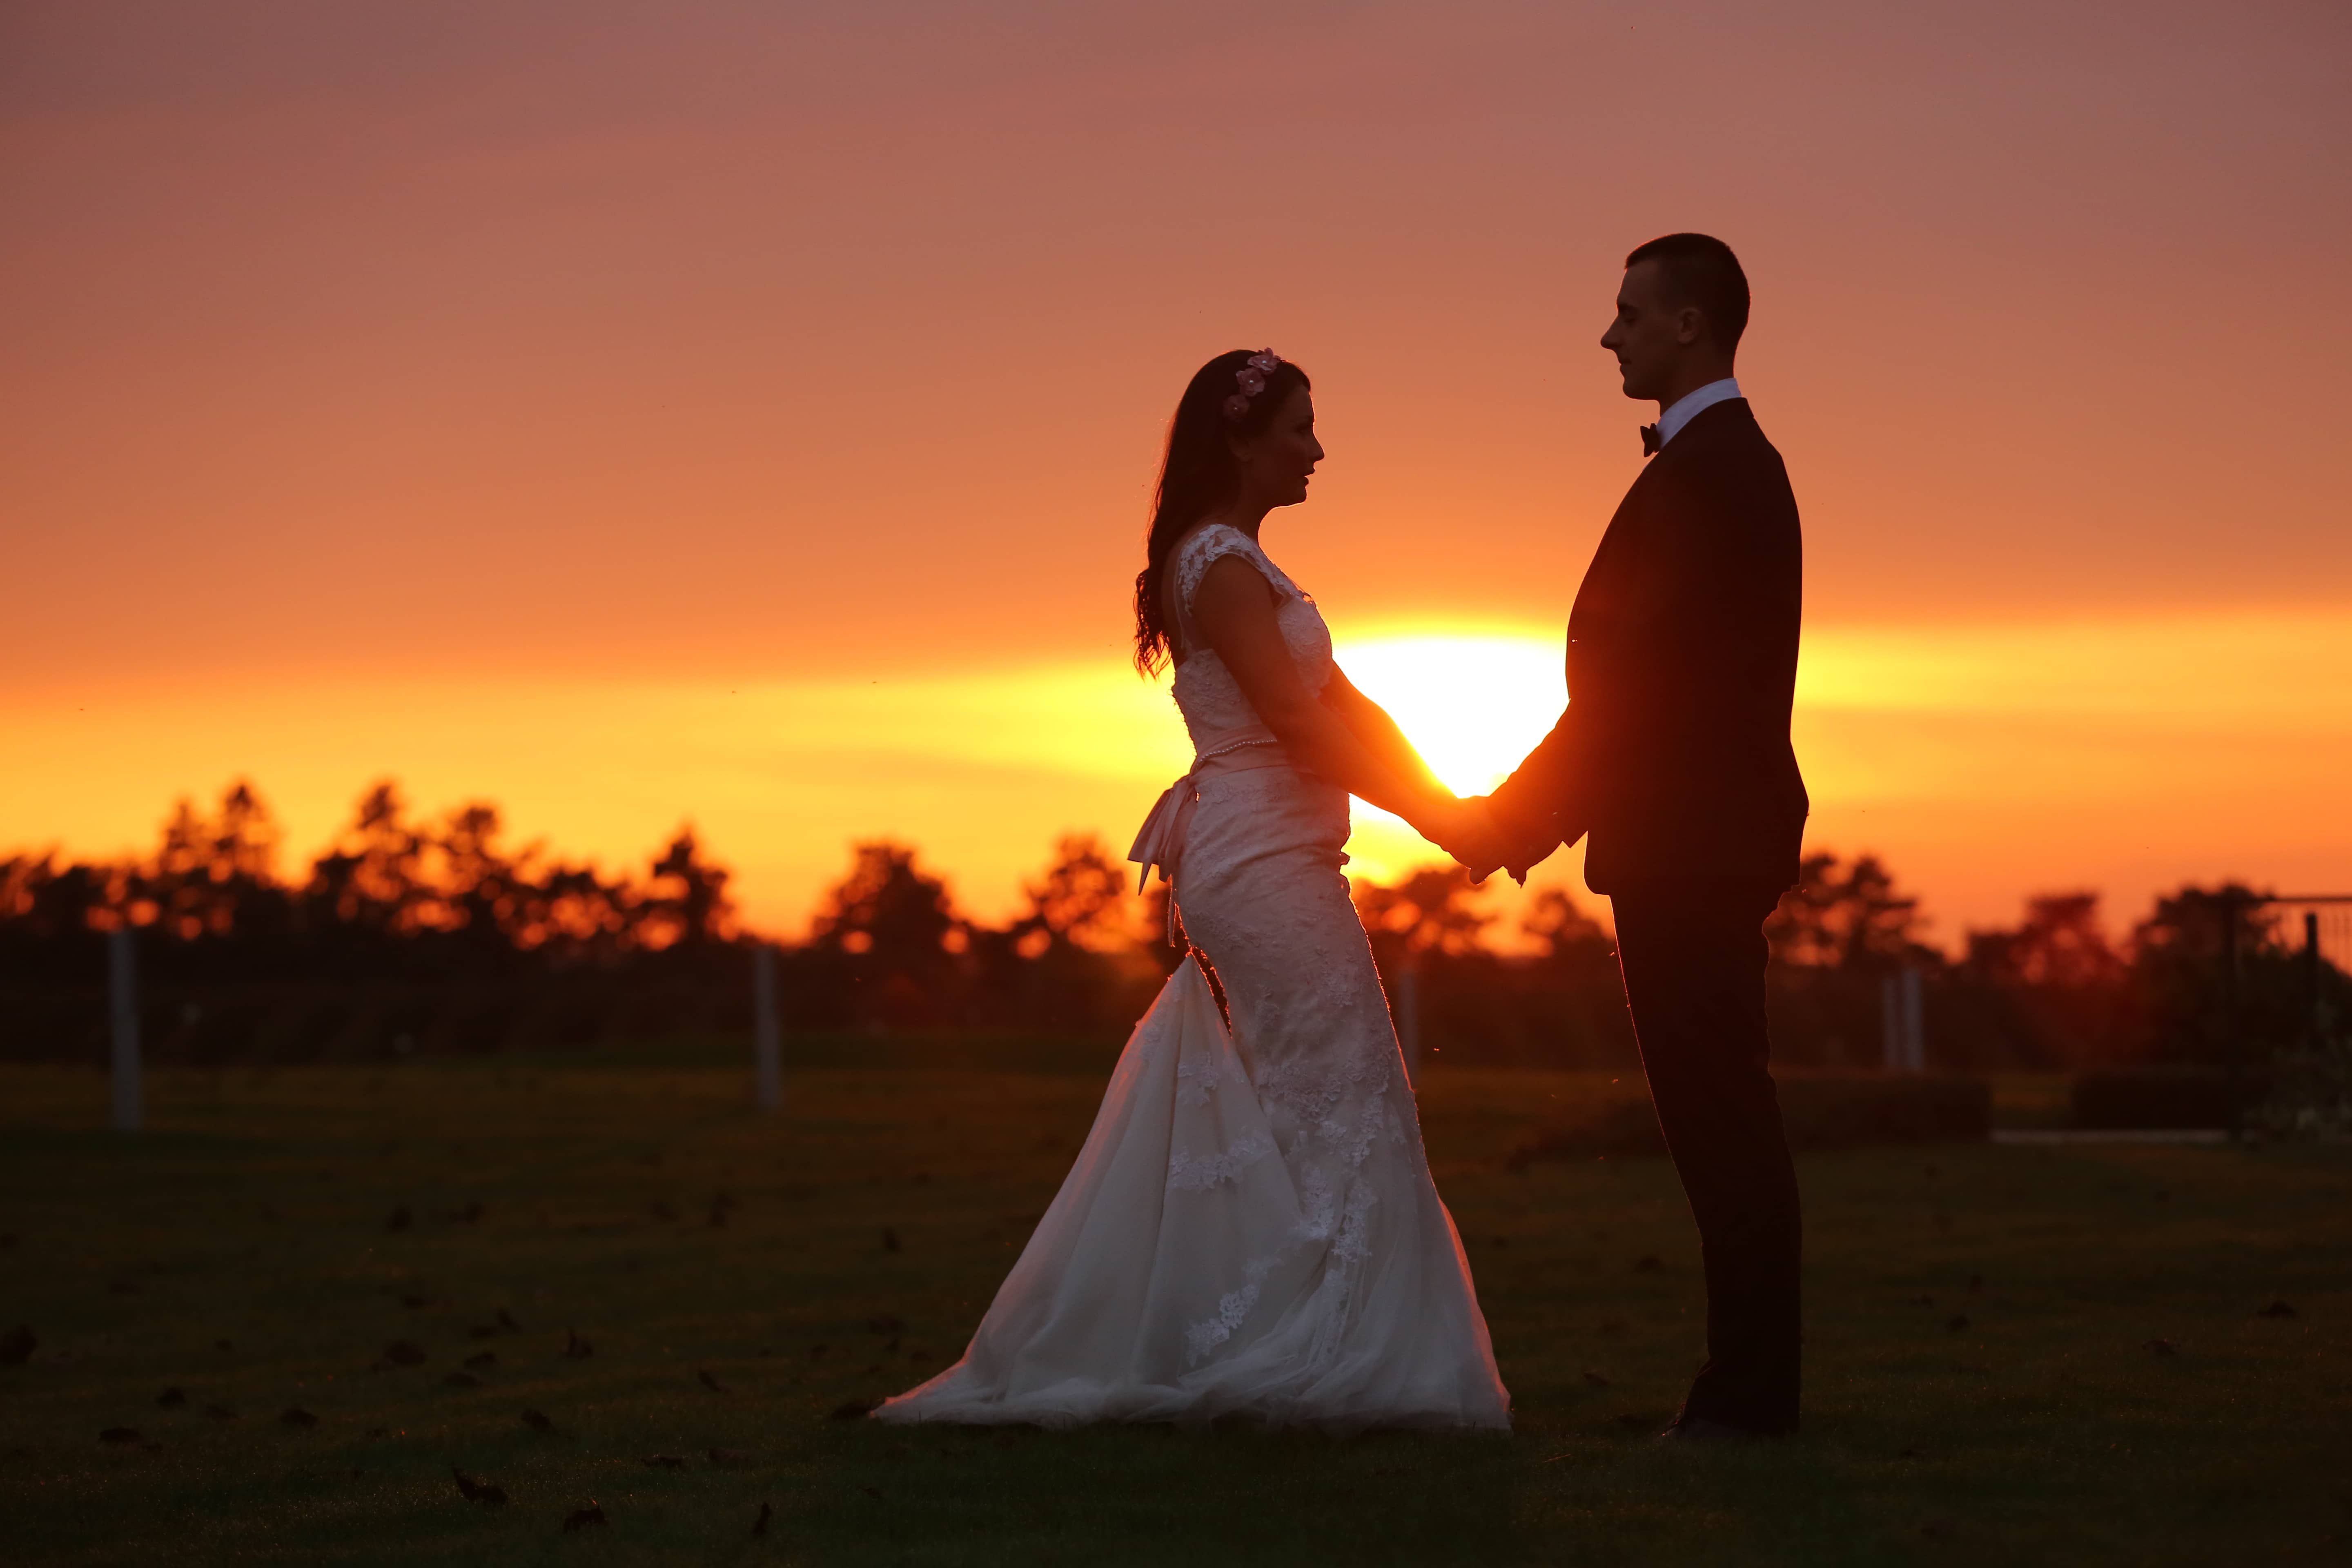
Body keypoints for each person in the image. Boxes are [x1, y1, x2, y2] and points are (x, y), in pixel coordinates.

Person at [873, 349, 1512, 1430]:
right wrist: (1446, 823)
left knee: (1319, 1098)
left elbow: (1354, 705)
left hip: (1284, 856)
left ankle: (1293, 1322)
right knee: (1346, 1089)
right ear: (1241, 438)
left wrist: (1461, 810)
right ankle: (1320, 1347)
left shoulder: (1253, 569)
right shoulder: (1216, 565)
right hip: (1260, 865)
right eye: (1302, 427)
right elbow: (1303, 725)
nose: (1318, 449)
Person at [1473, 234, 1810, 1439]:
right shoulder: (1714, 466)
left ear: (1689, 325)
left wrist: (1504, 824)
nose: (1607, 335)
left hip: (1693, 849)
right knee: (1722, 1121)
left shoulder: (1714, 474)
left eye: (1627, 313)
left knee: (1722, 1122)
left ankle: (1749, 1400)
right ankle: (1751, 1390)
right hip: (1692, 842)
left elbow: (1629, 692)